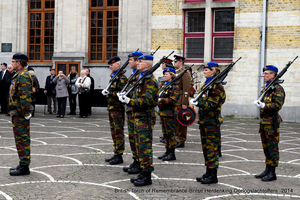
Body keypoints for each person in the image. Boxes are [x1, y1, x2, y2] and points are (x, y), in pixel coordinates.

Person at [119, 54, 158, 186]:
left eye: (140, 62)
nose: (137, 63)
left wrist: (130, 101)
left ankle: (147, 175)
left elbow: (148, 100)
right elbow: (135, 94)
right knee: (139, 146)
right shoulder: (140, 77)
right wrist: (125, 95)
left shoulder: (150, 80)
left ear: (147, 65)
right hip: (136, 116)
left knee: (145, 147)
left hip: (144, 117)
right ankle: (142, 170)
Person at [190, 62, 226, 184]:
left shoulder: (217, 87)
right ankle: (208, 171)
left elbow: (213, 104)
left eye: (206, 70)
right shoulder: (207, 84)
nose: (204, 72)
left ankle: (213, 175)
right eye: (204, 70)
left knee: (212, 149)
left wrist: (198, 103)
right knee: (206, 149)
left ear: (213, 71)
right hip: (204, 121)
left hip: (212, 122)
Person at [253, 65, 285, 182]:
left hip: (271, 124)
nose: (264, 75)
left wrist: (263, 105)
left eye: (267, 73)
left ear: (273, 75)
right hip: (264, 123)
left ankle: (272, 172)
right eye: (264, 73)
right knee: (266, 148)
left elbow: (277, 105)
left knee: (272, 148)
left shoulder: (278, 89)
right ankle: (267, 169)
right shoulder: (267, 88)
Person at [9, 53, 33, 176]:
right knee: (19, 139)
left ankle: (24, 166)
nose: (11, 64)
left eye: (13, 62)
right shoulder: (18, 75)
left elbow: (25, 96)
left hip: (20, 114)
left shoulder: (22, 76)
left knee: (23, 139)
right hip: (17, 113)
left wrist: (26, 113)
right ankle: (22, 163)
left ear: (18, 63)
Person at [102, 56, 128, 165]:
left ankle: (119, 154)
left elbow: (121, 94)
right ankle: (116, 152)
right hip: (112, 108)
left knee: (118, 132)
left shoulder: (122, 78)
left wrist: (110, 94)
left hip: (118, 108)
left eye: (112, 65)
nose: (110, 66)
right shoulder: (114, 76)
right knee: (113, 132)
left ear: (118, 64)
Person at [122, 51, 143, 174]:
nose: (129, 62)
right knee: (132, 138)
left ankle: (140, 163)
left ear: (137, 61)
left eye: (131, 60)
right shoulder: (133, 74)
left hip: (137, 112)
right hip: (131, 110)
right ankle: (136, 161)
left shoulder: (141, 76)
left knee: (138, 139)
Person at [157, 68, 180, 161]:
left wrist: (161, 100)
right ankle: (167, 151)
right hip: (162, 113)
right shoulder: (164, 85)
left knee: (170, 134)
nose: (164, 76)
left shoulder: (175, 87)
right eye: (164, 74)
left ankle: (172, 153)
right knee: (165, 134)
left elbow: (173, 100)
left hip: (169, 113)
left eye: (166, 74)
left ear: (171, 75)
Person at [173, 55, 191, 148]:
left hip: (181, 102)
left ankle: (181, 139)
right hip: (175, 101)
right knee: (176, 122)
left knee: (182, 122)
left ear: (180, 62)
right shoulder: (176, 73)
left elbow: (186, 89)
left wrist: (184, 102)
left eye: (175, 62)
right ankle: (176, 138)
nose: (174, 63)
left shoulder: (184, 74)